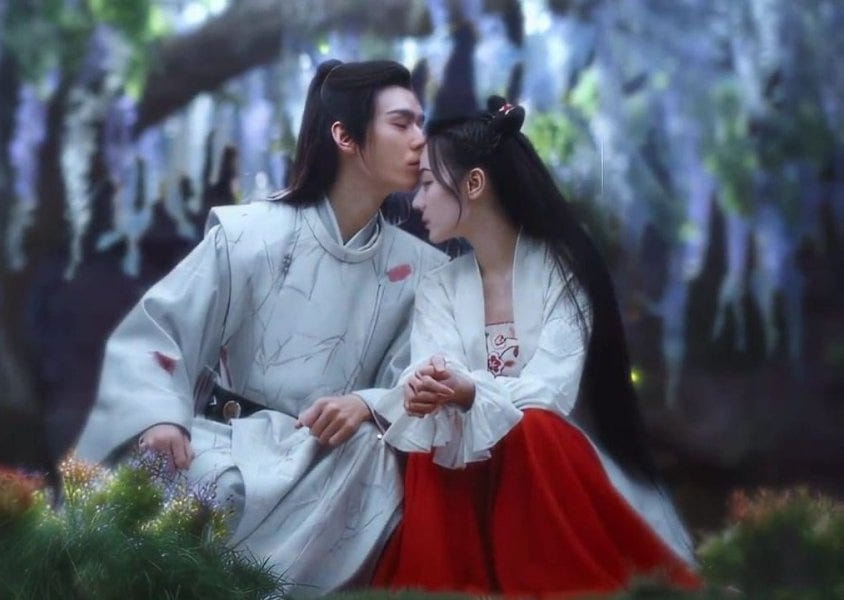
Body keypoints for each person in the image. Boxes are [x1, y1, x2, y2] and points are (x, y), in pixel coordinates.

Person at [74, 59, 447, 594]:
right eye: (401, 123)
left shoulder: (420, 269)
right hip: (227, 439)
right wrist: (160, 416)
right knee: (188, 480)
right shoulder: (250, 233)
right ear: (344, 136)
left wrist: (367, 403)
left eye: (420, 123)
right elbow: (160, 332)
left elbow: (416, 378)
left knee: (372, 455)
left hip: (329, 461)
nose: (419, 140)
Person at [372, 97, 700, 596]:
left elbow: (551, 392)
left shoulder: (563, 270)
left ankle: (547, 577)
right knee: (435, 435)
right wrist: (424, 387)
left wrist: (469, 391)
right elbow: (434, 364)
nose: (417, 203)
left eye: (428, 185)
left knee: (535, 427)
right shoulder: (439, 285)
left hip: (554, 471)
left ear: (474, 184)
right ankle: (449, 579)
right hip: (472, 467)